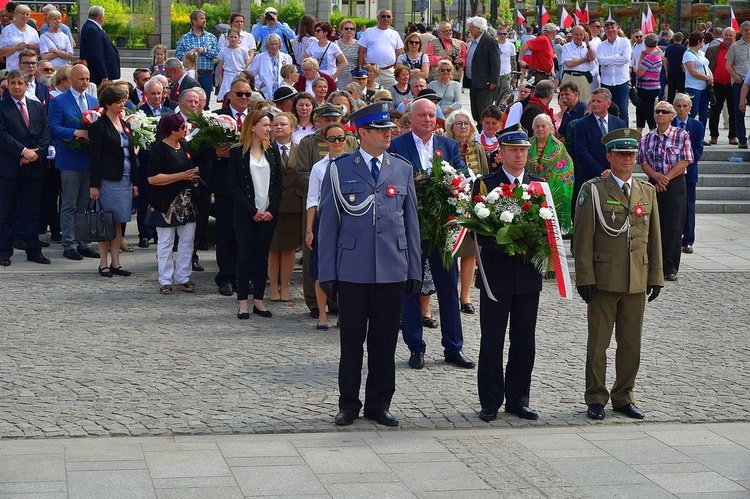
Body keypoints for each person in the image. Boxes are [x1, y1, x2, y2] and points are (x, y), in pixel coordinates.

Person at [317, 103, 421, 427]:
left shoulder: (401, 168)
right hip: (352, 270)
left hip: (391, 268)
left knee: (384, 342)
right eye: (380, 129)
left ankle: (379, 403)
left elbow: (411, 223)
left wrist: (414, 269)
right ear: (362, 134)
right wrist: (327, 273)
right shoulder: (340, 169)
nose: (388, 133)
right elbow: (328, 226)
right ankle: (348, 403)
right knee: (351, 343)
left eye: (389, 129)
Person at [574, 127, 664, 421]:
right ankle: (596, 397)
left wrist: (656, 276)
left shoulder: (646, 191)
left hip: (636, 279)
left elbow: (654, 237)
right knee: (598, 343)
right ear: (609, 156)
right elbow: (583, 238)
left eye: (631, 154)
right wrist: (584, 276)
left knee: (631, 344)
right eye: (622, 154)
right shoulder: (594, 191)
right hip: (603, 279)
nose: (627, 160)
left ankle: (624, 395)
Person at [388, 98, 475, 370]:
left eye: (431, 116)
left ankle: (454, 347)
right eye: (422, 115)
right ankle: (416, 347)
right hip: (410, 227)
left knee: (448, 288)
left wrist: (450, 185)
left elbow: (461, 177)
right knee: (411, 287)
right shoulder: (397, 146)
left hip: (441, 228)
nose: (427, 119)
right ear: (410, 119)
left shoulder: (448, 146)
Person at [473, 124, 545, 422]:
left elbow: (547, 227)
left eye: (524, 150)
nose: (519, 155)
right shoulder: (485, 184)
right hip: (496, 275)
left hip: (528, 275)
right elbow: (478, 228)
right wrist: (507, 239)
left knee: (524, 340)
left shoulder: (537, 184)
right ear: (500, 153)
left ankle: (518, 398)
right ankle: (490, 400)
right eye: (514, 150)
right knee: (492, 339)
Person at [296, 103, 358, 318]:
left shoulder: (351, 143)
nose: (337, 141)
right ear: (319, 121)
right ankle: (315, 303)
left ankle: (339, 304)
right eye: (327, 119)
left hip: (348, 212)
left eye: (336, 118)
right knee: (315, 258)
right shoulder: (308, 144)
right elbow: (302, 173)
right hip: (319, 208)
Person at [228, 110, 283, 319]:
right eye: (265, 125)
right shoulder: (237, 152)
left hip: (268, 214)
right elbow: (233, 186)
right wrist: (252, 211)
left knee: (262, 258)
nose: (269, 129)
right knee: (244, 256)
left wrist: (271, 210)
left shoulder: (272, 151)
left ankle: (259, 300)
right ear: (252, 127)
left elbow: (278, 183)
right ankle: (243, 302)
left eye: (270, 125)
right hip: (245, 214)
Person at [48, 64, 101, 261]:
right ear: (71, 79)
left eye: (87, 79)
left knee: (85, 203)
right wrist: (74, 133)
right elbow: (52, 128)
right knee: (69, 203)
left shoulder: (94, 100)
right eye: (81, 79)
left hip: (89, 159)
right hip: (70, 159)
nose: (85, 83)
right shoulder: (59, 101)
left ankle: (84, 242)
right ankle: (69, 243)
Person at [0, 70, 52, 267]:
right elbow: (2, 135)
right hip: (9, 168)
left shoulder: (36, 106)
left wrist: (35, 154)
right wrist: (22, 152)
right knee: (7, 212)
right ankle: (4, 251)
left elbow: (46, 132)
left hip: (34, 168)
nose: (16, 86)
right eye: (12, 83)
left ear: (26, 84)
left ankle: (33, 250)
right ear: (7, 85)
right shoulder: (2, 107)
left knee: (32, 211)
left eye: (20, 83)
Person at [638, 101, 693, 282]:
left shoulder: (681, 134)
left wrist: (666, 178)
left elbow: (684, 160)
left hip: (675, 182)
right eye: (657, 111)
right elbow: (643, 161)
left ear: (672, 116)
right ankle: (653, 265)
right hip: (654, 182)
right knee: (652, 225)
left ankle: (670, 267)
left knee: (674, 227)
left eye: (664, 112)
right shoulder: (647, 138)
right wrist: (656, 176)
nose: (660, 114)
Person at [88, 85, 138, 278]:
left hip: (125, 180)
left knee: (118, 223)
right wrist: (94, 185)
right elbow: (95, 157)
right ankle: (103, 263)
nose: (122, 104)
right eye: (119, 102)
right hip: (107, 180)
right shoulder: (99, 126)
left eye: (123, 101)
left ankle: (116, 262)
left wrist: (135, 181)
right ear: (108, 104)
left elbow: (131, 155)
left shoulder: (124, 124)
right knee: (105, 222)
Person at [146, 113, 198, 294]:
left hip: (186, 201)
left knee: (187, 240)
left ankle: (183, 277)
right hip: (165, 202)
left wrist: (193, 173)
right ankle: (165, 279)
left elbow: (189, 166)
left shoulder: (184, 145)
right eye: (181, 127)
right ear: (171, 130)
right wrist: (182, 176)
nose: (185, 129)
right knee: (166, 241)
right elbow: (153, 179)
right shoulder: (159, 149)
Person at [305, 122, 348, 330]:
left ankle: (342, 314)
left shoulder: (354, 164)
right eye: (333, 138)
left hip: (349, 221)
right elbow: (312, 200)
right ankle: (322, 315)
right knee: (322, 269)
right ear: (325, 141)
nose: (337, 142)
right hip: (324, 222)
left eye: (341, 138)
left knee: (346, 270)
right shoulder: (318, 167)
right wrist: (309, 229)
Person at [444, 110, 488, 314]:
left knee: (470, 252)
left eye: (466, 123)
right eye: (458, 123)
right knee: (450, 250)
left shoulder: (477, 148)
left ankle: (466, 295)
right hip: (451, 204)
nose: (463, 127)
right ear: (451, 127)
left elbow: (485, 176)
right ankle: (449, 293)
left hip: (472, 204)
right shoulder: (444, 146)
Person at [212, 79, 251, 296]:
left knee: (245, 234)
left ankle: (243, 276)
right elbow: (201, 150)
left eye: (247, 94)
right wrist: (216, 154)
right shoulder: (216, 117)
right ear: (230, 94)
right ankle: (225, 277)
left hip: (250, 185)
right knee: (225, 232)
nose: (244, 98)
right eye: (239, 94)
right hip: (226, 184)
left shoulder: (256, 117)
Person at [573, 88, 627, 222]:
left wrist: (613, 170)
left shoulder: (619, 124)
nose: (594, 104)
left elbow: (622, 150)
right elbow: (582, 152)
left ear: (608, 104)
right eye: (592, 101)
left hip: (614, 177)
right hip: (590, 177)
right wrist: (601, 171)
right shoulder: (582, 124)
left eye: (598, 101)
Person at [268, 112, 302, 303]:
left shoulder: (300, 149)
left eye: (283, 124)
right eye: (275, 125)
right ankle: (273, 286)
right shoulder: (266, 148)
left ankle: (286, 286)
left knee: (289, 249)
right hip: (272, 204)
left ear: (292, 128)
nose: (278, 127)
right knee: (273, 248)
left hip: (294, 204)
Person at [527, 114, 574, 233]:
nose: (540, 129)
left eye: (543, 126)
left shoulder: (558, 146)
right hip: (531, 188)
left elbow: (563, 169)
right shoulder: (528, 145)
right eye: (537, 126)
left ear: (550, 128)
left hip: (553, 188)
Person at [672, 93, 704, 255]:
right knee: (673, 208)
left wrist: (686, 165)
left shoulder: (697, 126)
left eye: (685, 106)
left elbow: (698, 149)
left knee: (689, 208)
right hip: (671, 173)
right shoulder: (668, 123)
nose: (682, 109)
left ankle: (688, 241)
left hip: (689, 173)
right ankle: (673, 239)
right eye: (678, 106)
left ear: (690, 108)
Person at [174, 10, 218, 109]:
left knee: (204, 104)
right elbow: (178, 55)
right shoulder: (185, 38)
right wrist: (189, 54)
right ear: (194, 21)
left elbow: (217, 54)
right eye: (202, 18)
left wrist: (204, 51)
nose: (204, 21)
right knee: (190, 102)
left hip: (206, 74)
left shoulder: (211, 37)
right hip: (190, 75)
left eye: (205, 18)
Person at [464, 16, 499, 131]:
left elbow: (495, 62)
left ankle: (486, 134)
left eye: (472, 27)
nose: (469, 29)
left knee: (484, 112)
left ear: (479, 28)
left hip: (485, 83)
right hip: (474, 82)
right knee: (475, 112)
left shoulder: (489, 41)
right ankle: (480, 132)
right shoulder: (473, 41)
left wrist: (494, 80)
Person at [357, 9, 403, 88]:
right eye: (383, 16)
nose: (386, 18)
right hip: (372, 72)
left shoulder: (395, 34)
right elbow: (361, 52)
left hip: (390, 72)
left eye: (388, 16)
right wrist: (361, 69)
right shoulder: (369, 32)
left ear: (391, 19)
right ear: (378, 18)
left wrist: (398, 71)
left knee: (391, 95)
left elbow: (399, 54)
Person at [596, 20, 631, 124]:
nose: (610, 30)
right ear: (605, 30)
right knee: (607, 110)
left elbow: (626, 58)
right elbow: (601, 61)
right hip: (606, 82)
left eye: (612, 28)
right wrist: (617, 56)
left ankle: (624, 134)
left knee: (623, 111)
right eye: (608, 28)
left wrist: (608, 60)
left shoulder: (625, 42)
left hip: (621, 81)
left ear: (617, 28)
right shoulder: (601, 45)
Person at [707, 27, 737, 145]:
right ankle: (714, 135)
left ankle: (733, 136)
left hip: (733, 85)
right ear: (722, 36)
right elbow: (707, 65)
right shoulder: (713, 49)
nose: (728, 37)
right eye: (726, 35)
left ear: (734, 37)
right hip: (717, 85)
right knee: (714, 111)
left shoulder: (738, 49)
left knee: (733, 112)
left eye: (731, 35)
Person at [78, 6, 120, 86]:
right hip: (97, 76)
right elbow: (96, 54)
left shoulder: (91, 27)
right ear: (101, 17)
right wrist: (104, 75)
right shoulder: (92, 29)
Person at [249, 34, 294, 101]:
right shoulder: (259, 57)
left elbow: (291, 76)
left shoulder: (287, 58)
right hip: (265, 92)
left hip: (282, 92)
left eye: (276, 44)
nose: (274, 46)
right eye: (271, 44)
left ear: (280, 45)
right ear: (267, 45)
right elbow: (251, 75)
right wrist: (259, 84)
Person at [727, 21, 750, 149]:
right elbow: (728, 65)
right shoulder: (735, 46)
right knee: (739, 110)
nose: (748, 32)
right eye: (746, 30)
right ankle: (742, 138)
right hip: (740, 81)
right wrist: (735, 77)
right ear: (741, 31)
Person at [683, 31, 713, 129]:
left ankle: (701, 135)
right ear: (699, 41)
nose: (703, 43)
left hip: (704, 87)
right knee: (693, 111)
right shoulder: (688, 54)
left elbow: (706, 66)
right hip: (693, 86)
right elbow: (692, 71)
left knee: (704, 112)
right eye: (702, 41)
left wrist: (711, 76)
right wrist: (706, 77)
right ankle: (688, 134)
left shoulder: (701, 53)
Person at [561, 25, 595, 107]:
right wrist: (583, 60)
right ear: (572, 35)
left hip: (583, 78)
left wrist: (587, 43)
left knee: (584, 104)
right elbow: (568, 64)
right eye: (576, 34)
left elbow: (592, 58)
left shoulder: (587, 47)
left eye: (581, 34)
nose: (579, 37)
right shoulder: (566, 47)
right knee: (566, 103)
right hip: (570, 77)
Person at [635, 33, 663, 134]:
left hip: (647, 87)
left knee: (647, 111)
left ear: (645, 43)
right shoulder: (657, 53)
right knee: (641, 110)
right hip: (653, 86)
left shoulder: (649, 57)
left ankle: (653, 132)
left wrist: (641, 59)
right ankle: (640, 132)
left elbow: (639, 73)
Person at [216, 28, 251, 103]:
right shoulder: (223, 51)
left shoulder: (243, 51)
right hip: (227, 78)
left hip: (240, 76)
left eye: (235, 37)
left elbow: (245, 66)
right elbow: (220, 70)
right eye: (231, 37)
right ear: (228, 37)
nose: (233, 39)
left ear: (239, 38)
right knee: (228, 99)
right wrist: (220, 85)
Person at [0, 4, 38, 72]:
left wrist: (34, 47)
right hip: (12, 68)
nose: (25, 16)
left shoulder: (33, 31)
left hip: (29, 69)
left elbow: (39, 52)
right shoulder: (7, 30)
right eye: (22, 14)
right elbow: (1, 52)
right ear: (15, 14)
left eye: (27, 14)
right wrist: (16, 47)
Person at [495, 26, 517, 105]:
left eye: (504, 34)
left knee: (505, 93)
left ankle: (501, 108)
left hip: (506, 73)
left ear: (507, 34)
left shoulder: (511, 45)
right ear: (497, 34)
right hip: (495, 73)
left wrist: (514, 75)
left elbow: (513, 60)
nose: (502, 36)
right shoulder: (494, 44)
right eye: (500, 34)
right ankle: (496, 107)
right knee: (496, 94)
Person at [336, 19, 359, 89]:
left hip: (354, 77)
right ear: (341, 30)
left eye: (351, 29)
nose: (349, 30)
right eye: (346, 28)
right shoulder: (336, 44)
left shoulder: (358, 44)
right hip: (340, 75)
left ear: (354, 31)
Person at [664, 32, 687, 104]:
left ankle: (670, 106)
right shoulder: (684, 48)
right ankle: (680, 104)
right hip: (680, 72)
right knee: (681, 91)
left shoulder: (669, 48)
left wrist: (666, 70)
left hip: (671, 70)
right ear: (682, 39)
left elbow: (665, 59)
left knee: (671, 91)